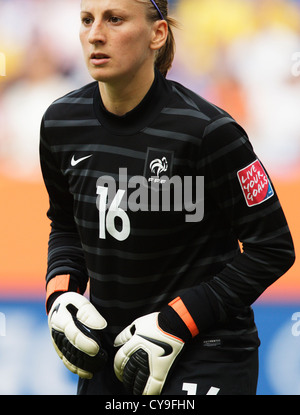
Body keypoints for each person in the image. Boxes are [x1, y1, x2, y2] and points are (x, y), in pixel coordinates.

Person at [40, 0, 295, 395]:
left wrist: (176, 322)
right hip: (113, 354)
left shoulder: (210, 131)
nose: (95, 34)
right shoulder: (61, 123)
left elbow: (272, 248)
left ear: (157, 34)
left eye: (115, 19)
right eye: (87, 20)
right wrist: (61, 297)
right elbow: (66, 225)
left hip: (207, 350)